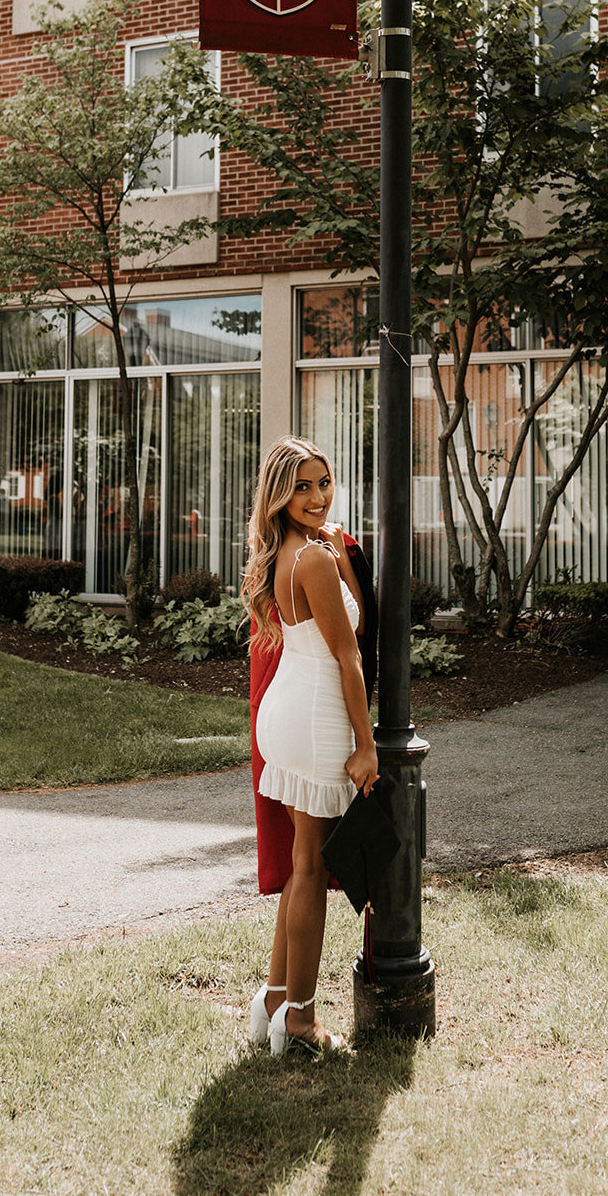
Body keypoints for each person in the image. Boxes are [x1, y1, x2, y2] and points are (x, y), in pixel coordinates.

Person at [242, 435, 379, 1055]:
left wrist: (336, 549)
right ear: (279, 494)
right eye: (302, 487)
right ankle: (298, 1021)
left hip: (290, 706)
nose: (318, 496)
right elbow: (349, 658)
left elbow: (342, 620)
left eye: (324, 483)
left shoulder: (291, 553)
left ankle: (274, 1001)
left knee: (304, 865)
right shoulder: (314, 560)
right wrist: (367, 745)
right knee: (312, 870)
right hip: (318, 713)